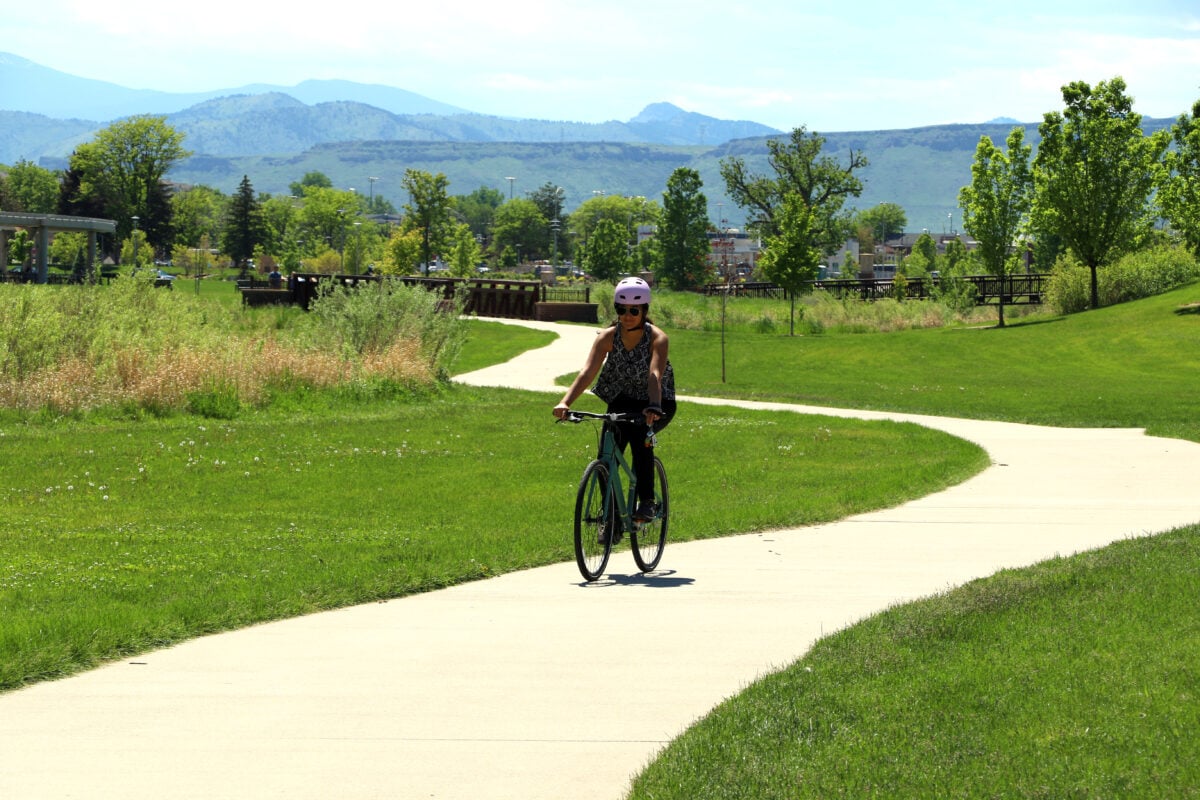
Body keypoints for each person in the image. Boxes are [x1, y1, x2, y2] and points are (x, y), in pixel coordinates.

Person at [553, 277, 676, 522]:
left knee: (642, 438)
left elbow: (654, 374)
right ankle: (611, 519)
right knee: (606, 458)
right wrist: (565, 402)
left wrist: (653, 406)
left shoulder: (657, 338)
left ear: (644, 311)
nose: (627, 315)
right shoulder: (607, 337)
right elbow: (587, 372)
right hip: (622, 400)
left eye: (634, 310)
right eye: (622, 309)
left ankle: (648, 502)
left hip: (657, 401)